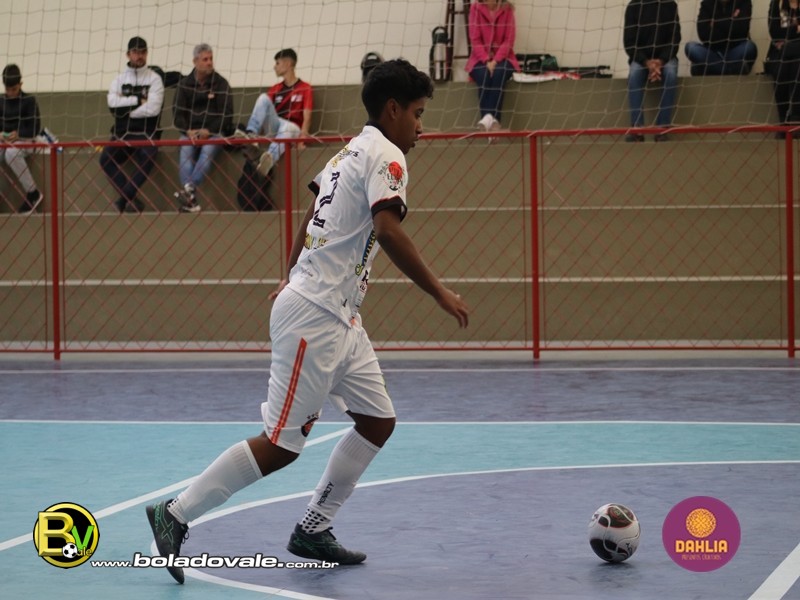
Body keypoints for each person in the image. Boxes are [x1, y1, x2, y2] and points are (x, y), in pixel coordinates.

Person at [146, 58, 470, 585]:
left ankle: (313, 528)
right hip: (315, 316)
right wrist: (439, 292)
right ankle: (175, 513)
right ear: (392, 110)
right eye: (417, 113)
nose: (421, 126)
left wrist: (289, 271)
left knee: (377, 421)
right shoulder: (387, 154)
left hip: (340, 317)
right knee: (280, 445)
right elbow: (388, 230)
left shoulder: (349, 152)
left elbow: (313, 213)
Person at [99, 36, 165, 214]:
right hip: (122, 133)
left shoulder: (155, 79)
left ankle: (124, 199)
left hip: (147, 132)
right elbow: (112, 105)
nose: (139, 55)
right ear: (128, 54)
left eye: (143, 52)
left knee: (149, 155)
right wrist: (138, 100)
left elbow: (153, 110)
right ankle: (132, 199)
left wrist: (125, 110)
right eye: (135, 52)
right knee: (105, 159)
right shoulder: (118, 79)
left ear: (147, 53)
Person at [173, 43, 234, 213]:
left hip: (214, 133)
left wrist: (209, 131)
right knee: (185, 148)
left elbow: (227, 114)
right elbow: (177, 115)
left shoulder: (221, 83)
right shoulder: (184, 85)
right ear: (195, 61)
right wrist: (188, 131)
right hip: (190, 133)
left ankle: (188, 192)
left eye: (211, 59)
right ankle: (191, 198)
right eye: (205, 59)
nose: (209, 62)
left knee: (207, 150)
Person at [241, 48, 313, 177]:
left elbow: (307, 118)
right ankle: (251, 135)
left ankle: (269, 159)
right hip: (276, 128)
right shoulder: (276, 89)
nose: (274, 67)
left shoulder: (305, 87)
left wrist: (301, 141)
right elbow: (264, 112)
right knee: (263, 98)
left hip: (293, 131)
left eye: (277, 63)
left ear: (288, 63)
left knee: (288, 127)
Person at [623, 0, 681, 142]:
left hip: (666, 59)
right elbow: (629, 43)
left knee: (671, 74)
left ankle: (662, 128)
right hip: (642, 59)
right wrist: (646, 62)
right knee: (634, 75)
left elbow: (675, 39)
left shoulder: (670, 4)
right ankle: (637, 129)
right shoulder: (634, 6)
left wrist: (661, 61)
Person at [466, 0, 521, 132]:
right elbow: (475, 40)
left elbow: (509, 40)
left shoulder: (507, 9)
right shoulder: (475, 8)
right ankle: (494, 124)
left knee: (499, 72)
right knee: (484, 74)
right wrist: (486, 60)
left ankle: (487, 120)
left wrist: (495, 61)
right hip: (479, 59)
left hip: (504, 58)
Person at [0, 64, 44, 214]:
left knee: (11, 153)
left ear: (21, 84)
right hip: (5, 142)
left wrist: (18, 134)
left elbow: (35, 128)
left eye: (14, 89)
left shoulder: (29, 101)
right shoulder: (1, 101)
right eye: (8, 89)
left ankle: (33, 193)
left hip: (27, 140)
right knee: (7, 151)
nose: (11, 93)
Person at [685, 0, 758, 76]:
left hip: (735, 51)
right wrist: (731, 23)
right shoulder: (707, 3)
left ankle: (713, 68)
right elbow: (703, 35)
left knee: (750, 47)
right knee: (691, 47)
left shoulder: (744, 2)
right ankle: (730, 70)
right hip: (712, 52)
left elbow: (742, 31)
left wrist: (715, 23)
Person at [767, 0, 800, 128]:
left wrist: (787, 37)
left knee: (797, 66)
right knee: (782, 68)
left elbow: (781, 34)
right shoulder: (776, 3)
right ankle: (784, 121)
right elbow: (775, 32)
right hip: (780, 53)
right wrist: (797, 28)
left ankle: (796, 118)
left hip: (793, 52)